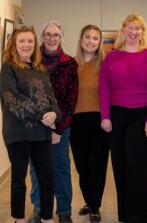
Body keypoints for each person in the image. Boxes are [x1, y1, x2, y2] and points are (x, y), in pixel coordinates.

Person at [99, 13, 147, 223]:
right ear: (123, 30)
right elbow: (104, 88)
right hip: (116, 116)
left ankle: (140, 216)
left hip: (143, 116)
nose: (134, 32)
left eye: (138, 28)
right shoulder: (112, 56)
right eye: (130, 27)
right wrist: (105, 116)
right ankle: (125, 215)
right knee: (120, 165)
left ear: (143, 32)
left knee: (139, 167)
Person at [0, 25, 61, 223]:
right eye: (22, 41)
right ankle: (18, 218)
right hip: (17, 132)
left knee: (48, 176)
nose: (26, 45)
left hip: (41, 133)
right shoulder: (8, 67)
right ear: (14, 45)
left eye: (30, 41)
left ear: (35, 44)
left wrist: (55, 114)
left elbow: (51, 97)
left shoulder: (40, 68)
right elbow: (13, 100)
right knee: (19, 179)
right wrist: (44, 115)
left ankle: (46, 217)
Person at [28, 21, 79, 223]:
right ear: (42, 37)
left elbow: (70, 100)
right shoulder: (31, 62)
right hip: (35, 126)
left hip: (61, 127)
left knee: (61, 167)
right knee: (36, 168)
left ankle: (64, 210)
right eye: (48, 34)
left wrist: (58, 129)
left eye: (55, 35)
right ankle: (39, 208)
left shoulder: (69, 63)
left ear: (61, 37)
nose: (51, 38)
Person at [70, 24, 109, 223]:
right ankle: (88, 200)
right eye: (88, 37)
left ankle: (95, 205)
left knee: (98, 165)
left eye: (95, 38)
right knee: (82, 165)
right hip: (77, 122)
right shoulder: (71, 64)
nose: (91, 41)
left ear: (99, 42)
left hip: (100, 122)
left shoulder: (104, 65)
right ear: (81, 39)